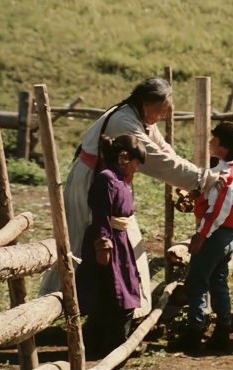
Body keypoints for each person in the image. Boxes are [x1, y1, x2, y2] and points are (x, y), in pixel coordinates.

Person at [39, 77, 221, 319]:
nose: (165, 116)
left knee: (122, 243)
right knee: (80, 242)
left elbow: (166, 151)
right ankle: (51, 306)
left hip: (112, 186)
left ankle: (124, 309)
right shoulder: (124, 120)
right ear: (148, 103)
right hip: (94, 183)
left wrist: (194, 179)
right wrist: (203, 179)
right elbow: (157, 160)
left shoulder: (138, 117)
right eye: (163, 110)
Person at [75, 134, 146, 357]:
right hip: (108, 242)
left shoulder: (121, 180)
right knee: (110, 293)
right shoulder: (106, 178)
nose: (137, 169)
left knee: (123, 292)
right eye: (136, 163)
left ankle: (114, 343)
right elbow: (101, 214)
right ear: (125, 158)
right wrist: (103, 245)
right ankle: (107, 345)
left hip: (121, 242)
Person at [183, 122, 233, 353]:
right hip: (227, 237)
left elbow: (218, 210)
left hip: (214, 235)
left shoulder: (226, 175)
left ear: (224, 147)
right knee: (218, 282)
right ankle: (223, 331)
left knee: (197, 282)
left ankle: (194, 333)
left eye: (214, 139)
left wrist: (201, 235)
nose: (210, 142)